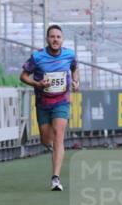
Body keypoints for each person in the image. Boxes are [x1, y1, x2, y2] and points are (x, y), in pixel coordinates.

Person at [20, 25, 79, 191]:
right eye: (52, 37)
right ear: (47, 39)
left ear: (62, 40)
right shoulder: (37, 57)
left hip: (62, 102)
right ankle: (54, 149)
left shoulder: (69, 55)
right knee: (46, 140)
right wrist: (37, 83)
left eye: (58, 37)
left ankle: (55, 178)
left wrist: (75, 81)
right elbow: (23, 76)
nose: (55, 39)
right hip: (43, 103)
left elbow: (75, 68)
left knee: (59, 135)